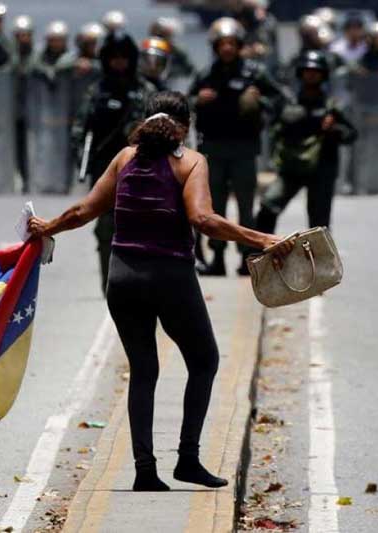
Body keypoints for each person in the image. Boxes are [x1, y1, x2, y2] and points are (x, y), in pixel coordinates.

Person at [27, 91, 295, 492]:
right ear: (185, 128)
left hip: (122, 278)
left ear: (146, 119)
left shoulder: (124, 158)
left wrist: (47, 227)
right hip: (170, 277)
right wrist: (261, 239)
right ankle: (187, 459)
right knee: (203, 361)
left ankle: (144, 471)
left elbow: (82, 212)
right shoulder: (190, 162)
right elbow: (203, 218)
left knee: (144, 371)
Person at [189, 17, 289, 276]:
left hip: (244, 149)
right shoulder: (206, 75)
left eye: (232, 43)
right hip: (213, 148)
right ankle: (217, 258)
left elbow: (281, 99)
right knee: (214, 208)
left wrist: (259, 101)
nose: (227, 48)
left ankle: (248, 258)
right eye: (222, 44)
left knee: (246, 206)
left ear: (239, 45)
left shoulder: (254, 73)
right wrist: (197, 99)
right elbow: (184, 102)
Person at [71, 31, 156, 294]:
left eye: (123, 58)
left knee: (144, 226)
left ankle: (143, 283)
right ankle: (111, 285)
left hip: (140, 170)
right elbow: (80, 128)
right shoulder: (97, 91)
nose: (118, 63)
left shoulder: (144, 91)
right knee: (106, 229)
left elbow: (160, 127)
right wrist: (79, 152)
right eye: (113, 58)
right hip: (104, 170)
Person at [254, 50, 357, 235]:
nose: (311, 74)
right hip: (291, 167)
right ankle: (256, 258)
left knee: (319, 225)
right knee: (268, 206)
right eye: (307, 70)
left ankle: (319, 264)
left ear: (323, 75)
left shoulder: (331, 106)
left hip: (322, 169)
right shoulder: (288, 102)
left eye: (316, 71)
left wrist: (333, 129)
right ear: (300, 73)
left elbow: (351, 134)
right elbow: (272, 129)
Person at [12, 15, 36, 193]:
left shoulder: (36, 56)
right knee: (16, 148)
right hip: (14, 111)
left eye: (27, 34)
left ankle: (32, 180)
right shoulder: (10, 56)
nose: (24, 38)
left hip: (35, 111)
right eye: (20, 35)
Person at [148, 17, 195, 81]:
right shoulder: (147, 51)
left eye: (161, 36)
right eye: (155, 36)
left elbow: (190, 71)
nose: (159, 40)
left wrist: (170, 73)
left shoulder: (178, 52)